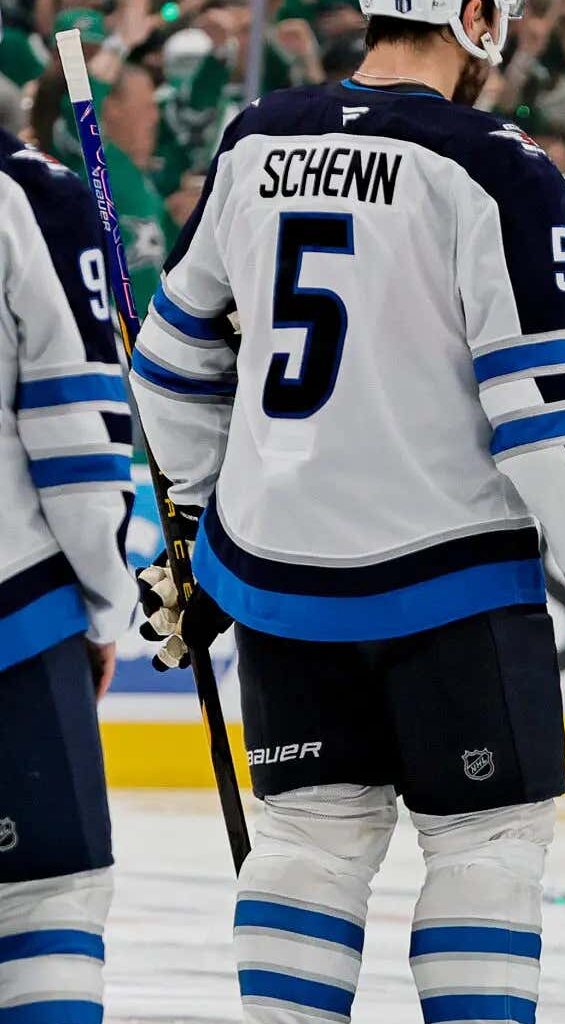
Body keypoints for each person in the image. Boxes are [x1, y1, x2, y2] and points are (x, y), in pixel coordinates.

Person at [127, 0, 565, 1018]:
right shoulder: (498, 163)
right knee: (486, 847)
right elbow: (538, 413)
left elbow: (171, 361)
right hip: (449, 574)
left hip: (280, 579)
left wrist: (191, 521)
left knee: (307, 848)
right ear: (474, 19)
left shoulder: (257, 137)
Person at [0, 128, 136, 1024]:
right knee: (48, 901)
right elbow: (78, 436)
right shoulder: (27, 192)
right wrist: (104, 606)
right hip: (12, 618)